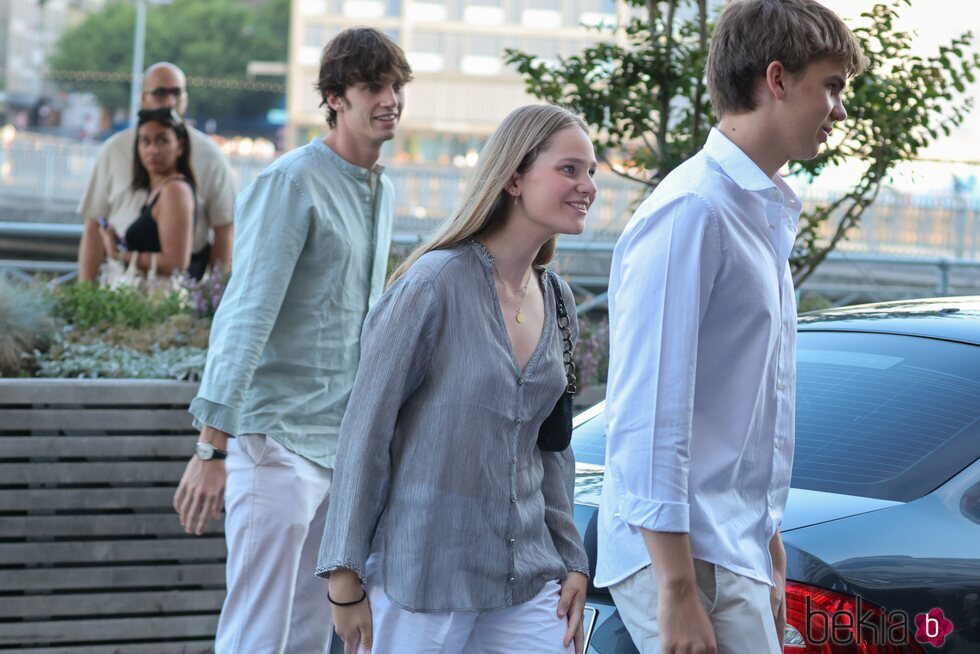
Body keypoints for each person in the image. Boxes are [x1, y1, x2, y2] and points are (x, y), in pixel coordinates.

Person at [595, 1, 867, 653]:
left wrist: (767, 547)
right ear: (776, 79)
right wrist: (677, 590)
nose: (839, 110)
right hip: (690, 556)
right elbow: (649, 413)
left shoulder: (753, 211)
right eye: (830, 86)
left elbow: (746, 413)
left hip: (727, 548)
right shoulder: (695, 211)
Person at [317, 104, 596, 654]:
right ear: (514, 177)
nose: (588, 185)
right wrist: (344, 576)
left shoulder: (559, 301)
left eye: (591, 170)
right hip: (423, 580)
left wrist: (572, 560)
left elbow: (552, 448)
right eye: (570, 169)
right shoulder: (431, 286)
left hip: (528, 578)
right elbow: (364, 432)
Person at [171, 28, 412, 654]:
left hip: (341, 450)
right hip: (274, 444)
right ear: (335, 97)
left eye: (395, 86)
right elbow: (245, 312)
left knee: (310, 635)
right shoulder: (292, 183)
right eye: (372, 87)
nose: (389, 99)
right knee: (256, 635)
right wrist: (211, 448)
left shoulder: (381, 189)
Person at [78, 62, 235, 282]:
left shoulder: (210, 156)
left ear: (179, 148)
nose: (170, 100)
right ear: (144, 98)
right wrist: (85, 294)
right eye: (160, 93)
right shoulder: (114, 150)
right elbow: (94, 225)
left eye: (176, 93)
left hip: (175, 294)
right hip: (122, 287)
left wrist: (215, 300)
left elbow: (224, 229)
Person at [98, 108, 195, 277]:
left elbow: (176, 263)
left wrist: (119, 254)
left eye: (162, 140)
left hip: (159, 299)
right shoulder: (159, 189)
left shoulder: (175, 190)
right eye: (145, 141)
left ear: (179, 146)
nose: (153, 150)